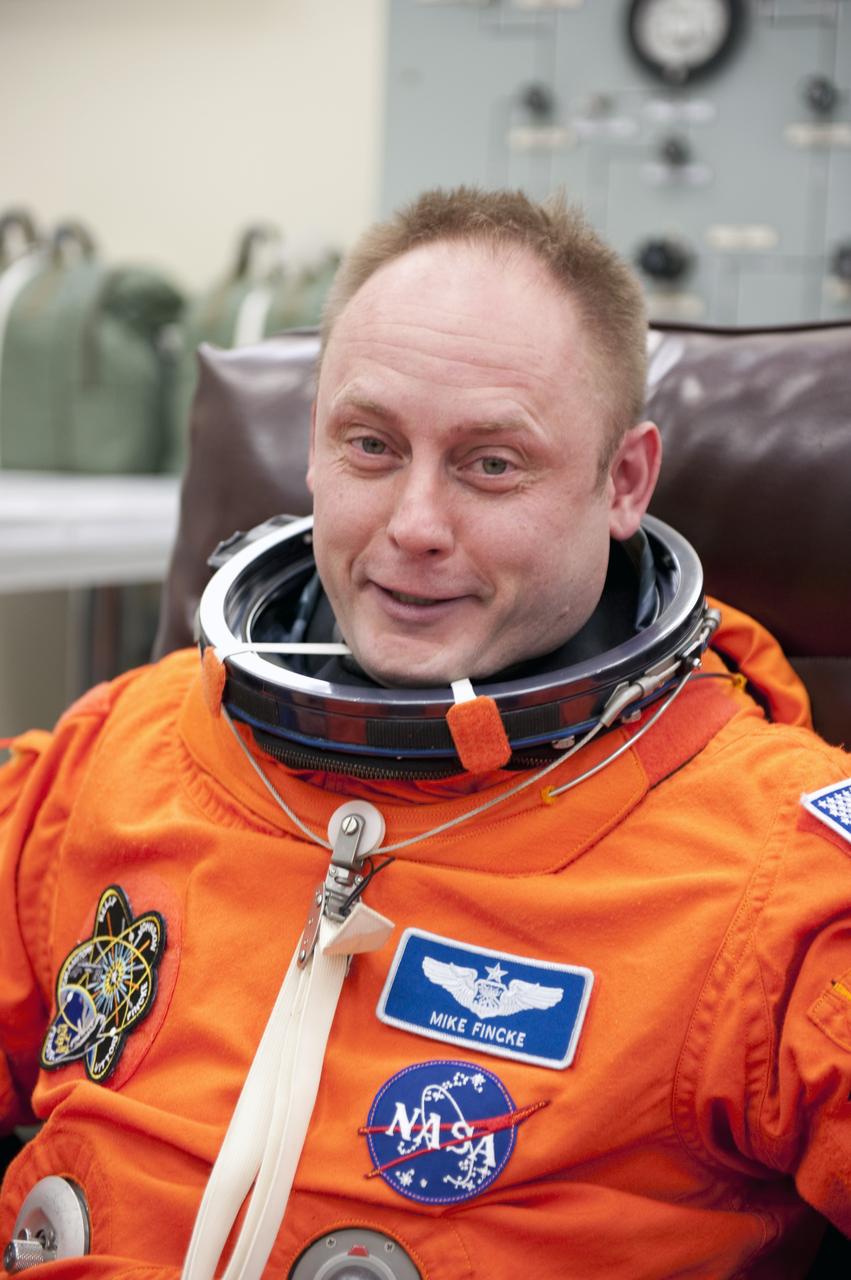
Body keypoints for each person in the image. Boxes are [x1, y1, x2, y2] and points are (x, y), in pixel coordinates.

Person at [1, 187, 850, 1280]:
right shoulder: (117, 751)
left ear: (622, 481)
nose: (412, 527)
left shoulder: (779, 878)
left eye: (490, 463)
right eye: (369, 444)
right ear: (309, 447)